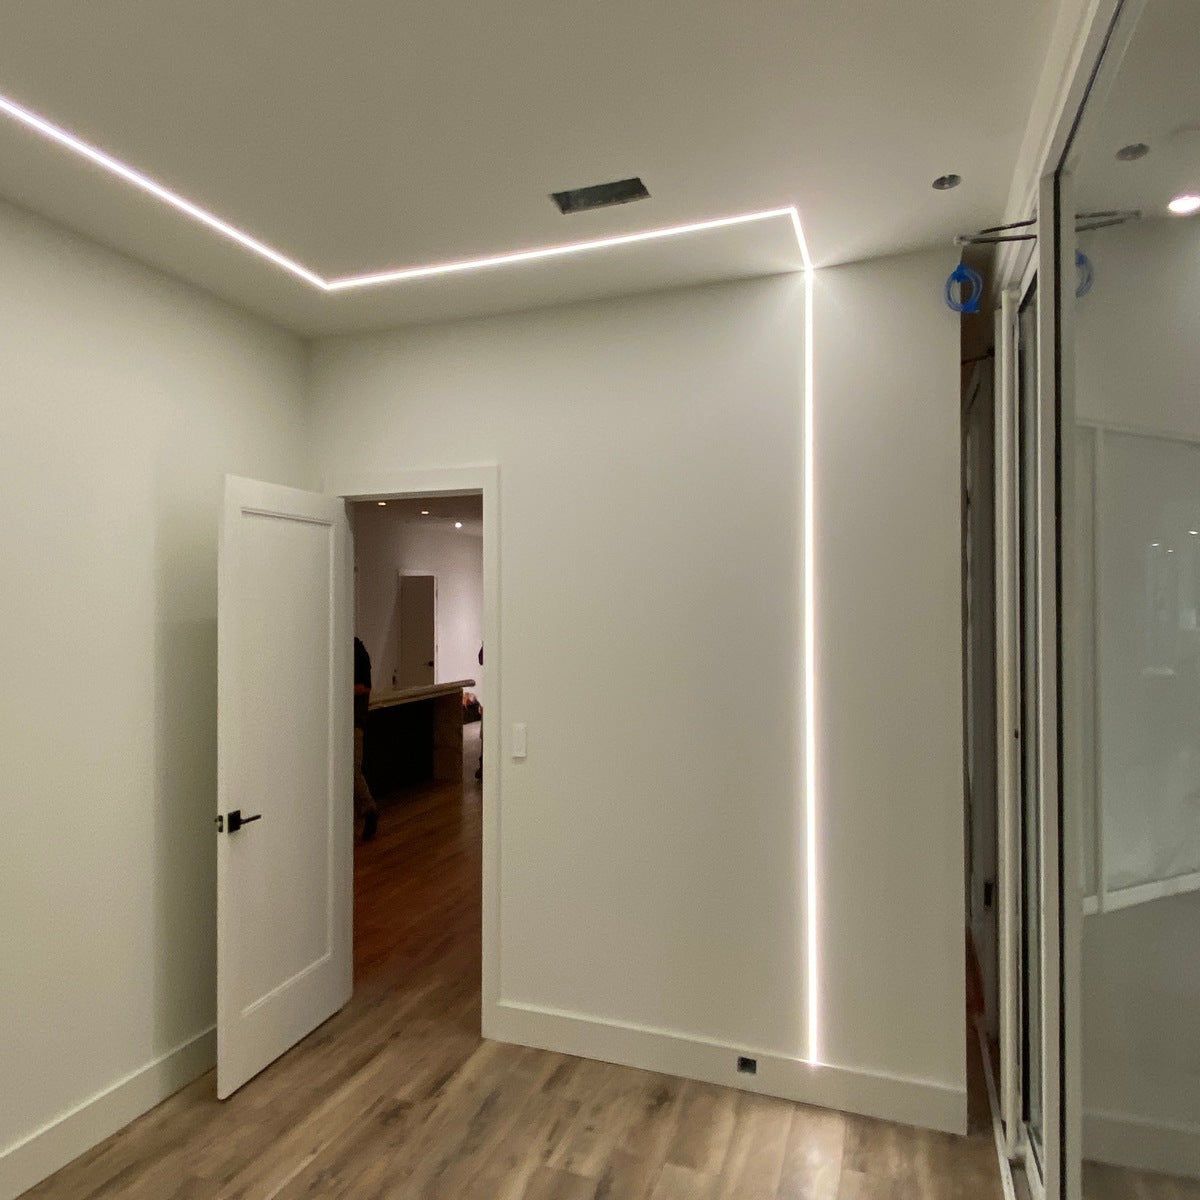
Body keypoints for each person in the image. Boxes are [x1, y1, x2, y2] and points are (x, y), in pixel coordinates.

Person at [354, 637, 379, 841]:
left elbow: (365, 687)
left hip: (354, 722)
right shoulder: (354, 650)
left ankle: (369, 810)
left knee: (352, 771)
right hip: (347, 722)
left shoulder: (357, 652)